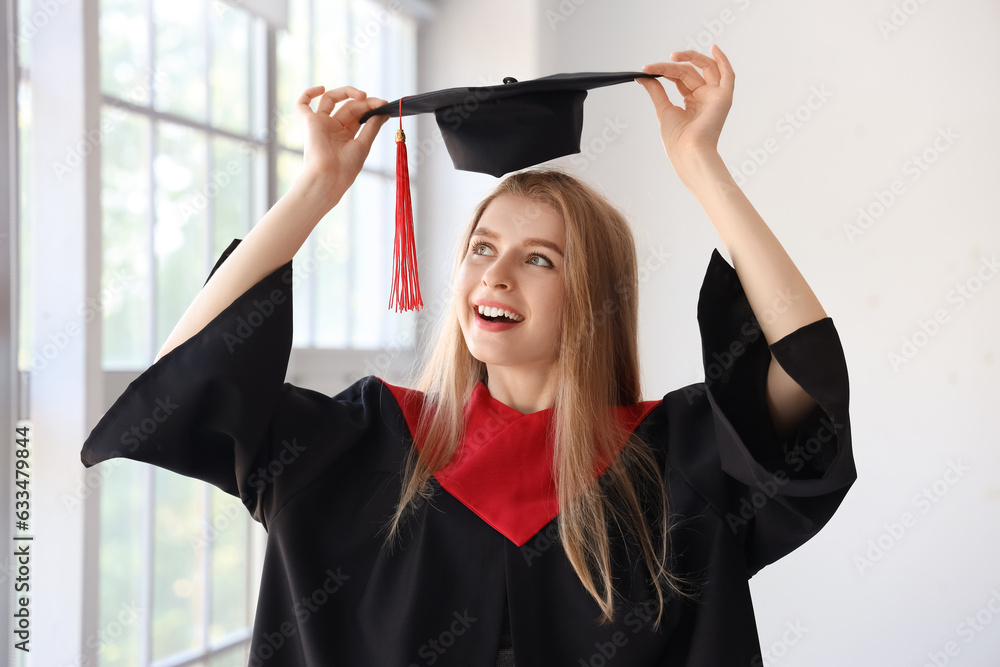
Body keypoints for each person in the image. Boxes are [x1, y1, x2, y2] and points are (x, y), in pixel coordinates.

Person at [82, 46, 855, 666]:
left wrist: (702, 169)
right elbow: (184, 381)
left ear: (594, 296)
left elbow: (806, 367)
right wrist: (317, 185)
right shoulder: (366, 441)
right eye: (482, 247)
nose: (495, 273)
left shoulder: (677, 456)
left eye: (540, 259)